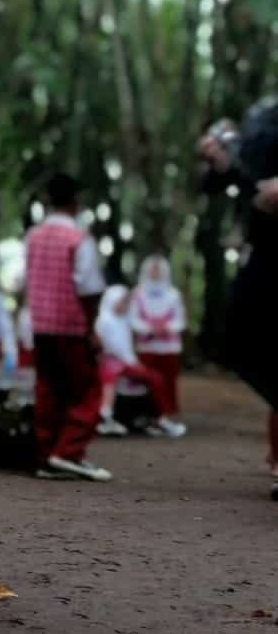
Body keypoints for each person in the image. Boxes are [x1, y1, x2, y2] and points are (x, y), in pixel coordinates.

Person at [199, 96, 278, 500]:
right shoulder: (262, 116)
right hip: (266, 249)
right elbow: (222, 181)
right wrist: (221, 162)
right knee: (238, 337)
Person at [25, 173, 111, 481]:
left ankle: (47, 453)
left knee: (48, 390)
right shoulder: (79, 239)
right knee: (87, 390)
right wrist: (91, 327)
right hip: (71, 328)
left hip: (41, 327)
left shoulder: (33, 236)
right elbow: (89, 288)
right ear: (75, 204)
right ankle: (69, 452)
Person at [95, 285, 187, 438]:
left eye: (126, 302)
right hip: (116, 363)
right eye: (122, 302)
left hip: (124, 363)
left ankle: (152, 418)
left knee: (152, 379)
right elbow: (114, 347)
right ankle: (159, 419)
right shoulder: (105, 320)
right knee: (154, 378)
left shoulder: (122, 320)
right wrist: (133, 363)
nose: (125, 305)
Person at [130, 255, 188, 424]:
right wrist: (149, 329)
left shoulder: (173, 294)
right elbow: (133, 318)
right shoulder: (137, 293)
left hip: (169, 346)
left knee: (169, 379)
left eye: (158, 270)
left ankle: (168, 410)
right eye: (152, 270)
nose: (155, 273)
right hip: (146, 346)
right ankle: (148, 411)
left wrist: (167, 328)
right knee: (146, 379)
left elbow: (180, 319)